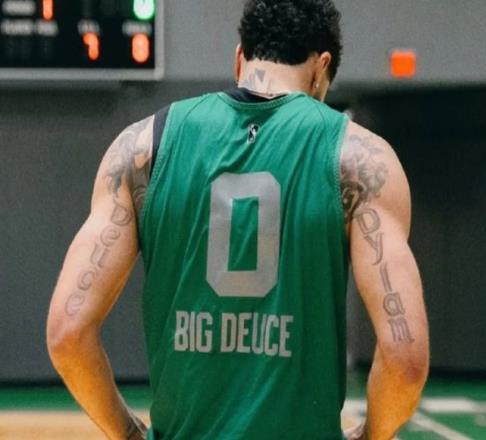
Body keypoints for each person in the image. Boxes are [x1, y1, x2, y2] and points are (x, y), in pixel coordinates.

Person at [47, 0, 429, 439]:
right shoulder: (364, 161)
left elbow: (67, 334)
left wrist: (130, 434)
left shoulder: (141, 148)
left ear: (239, 57)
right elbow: (406, 359)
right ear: (322, 67)